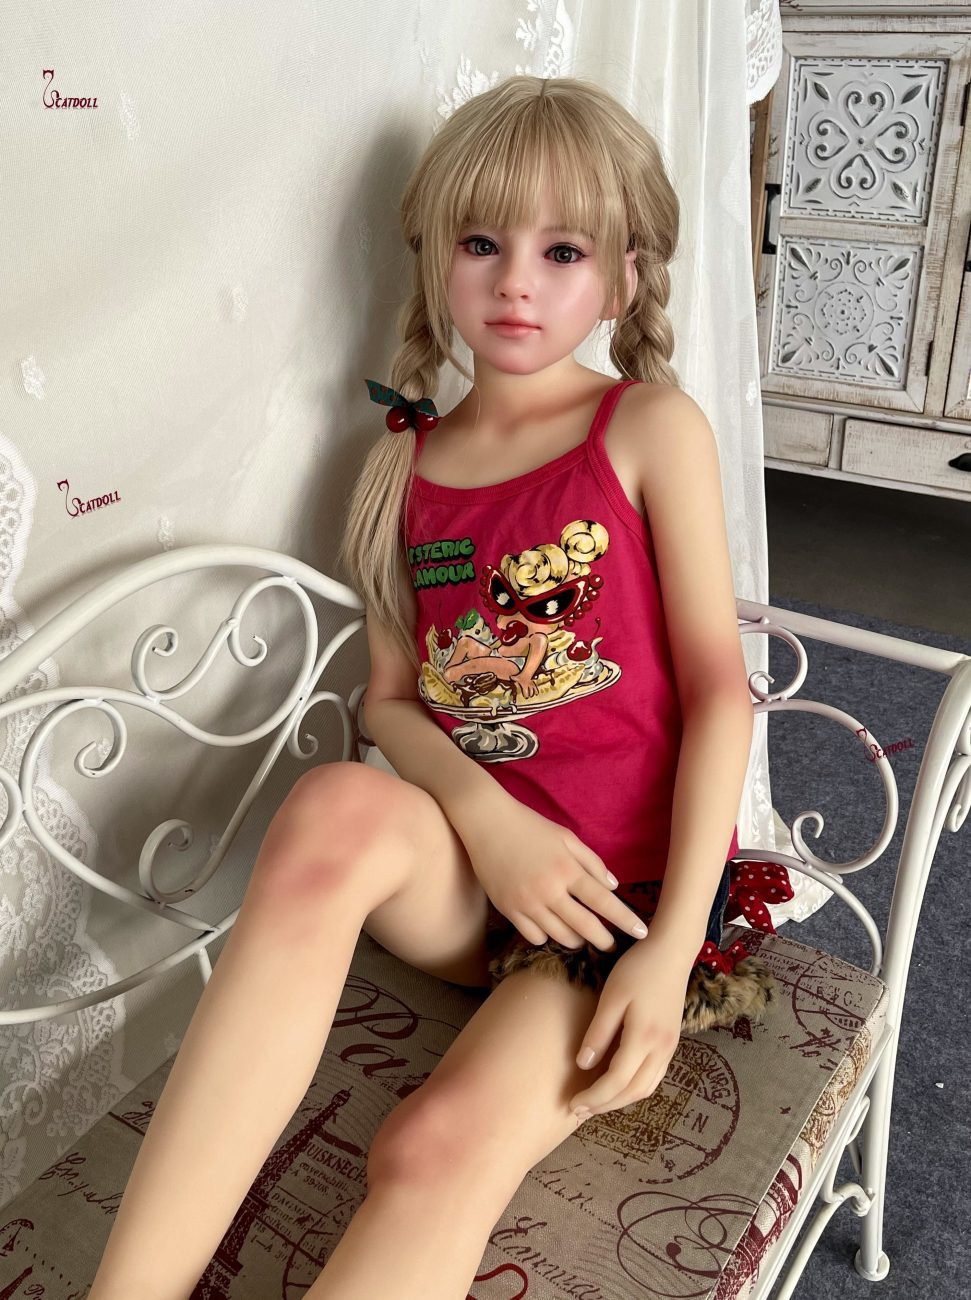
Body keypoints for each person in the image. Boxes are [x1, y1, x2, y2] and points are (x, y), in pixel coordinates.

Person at [88, 74, 775, 1300]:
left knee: (428, 1147)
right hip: (477, 876)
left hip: (620, 906)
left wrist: (670, 949)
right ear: (435, 257)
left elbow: (721, 694)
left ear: (621, 279)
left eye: (561, 251)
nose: (516, 282)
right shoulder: (403, 463)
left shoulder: (646, 430)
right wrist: (488, 820)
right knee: (333, 808)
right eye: (481, 243)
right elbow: (392, 701)